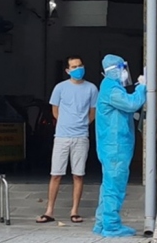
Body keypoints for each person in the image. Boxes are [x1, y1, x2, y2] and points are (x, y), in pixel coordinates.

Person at [36, 56, 98, 225]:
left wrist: (82, 124)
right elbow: (55, 111)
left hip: (81, 136)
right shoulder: (60, 88)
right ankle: (49, 211)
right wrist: (65, 123)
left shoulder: (92, 88)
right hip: (62, 136)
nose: (78, 69)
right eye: (74, 67)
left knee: (78, 175)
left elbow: (93, 112)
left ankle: (74, 211)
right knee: (56, 174)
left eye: (80, 65)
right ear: (67, 70)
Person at [93, 54, 147, 238]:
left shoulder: (110, 87)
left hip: (112, 145)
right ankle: (111, 226)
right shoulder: (112, 89)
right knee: (114, 186)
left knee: (108, 184)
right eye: (122, 69)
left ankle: (101, 223)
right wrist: (142, 88)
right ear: (116, 69)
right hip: (115, 146)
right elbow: (131, 104)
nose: (125, 73)